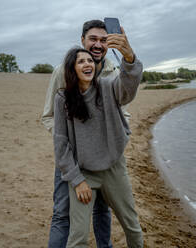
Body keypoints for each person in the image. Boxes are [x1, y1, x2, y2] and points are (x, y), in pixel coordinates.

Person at [42, 20, 131, 248]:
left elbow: (123, 111)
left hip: (105, 158)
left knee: (102, 211)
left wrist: (118, 138)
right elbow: (49, 115)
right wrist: (75, 141)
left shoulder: (112, 67)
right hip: (72, 158)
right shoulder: (63, 70)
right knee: (62, 213)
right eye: (93, 39)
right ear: (82, 40)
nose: (98, 44)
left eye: (103, 40)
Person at [54, 43, 143, 247]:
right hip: (84, 174)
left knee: (132, 226)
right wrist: (77, 180)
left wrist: (129, 59)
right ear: (71, 69)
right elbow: (61, 144)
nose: (88, 64)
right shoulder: (62, 99)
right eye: (81, 61)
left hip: (114, 169)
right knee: (78, 237)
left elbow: (128, 88)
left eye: (90, 61)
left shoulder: (108, 86)